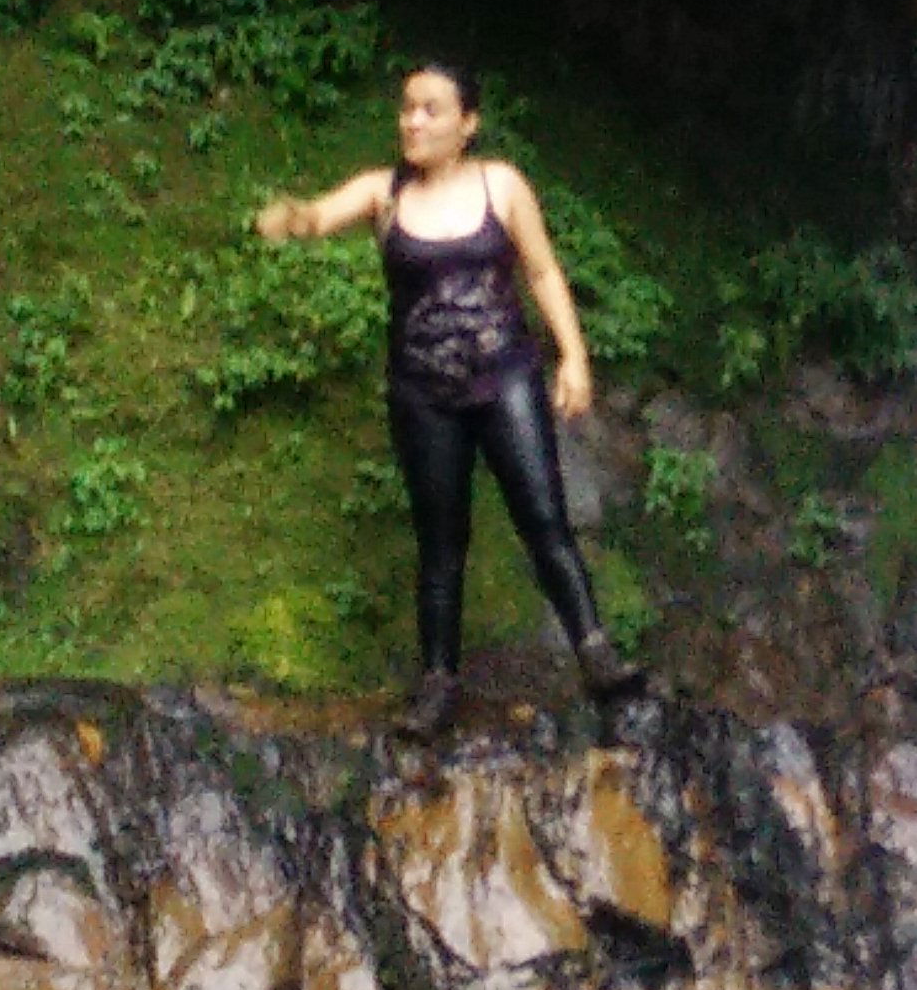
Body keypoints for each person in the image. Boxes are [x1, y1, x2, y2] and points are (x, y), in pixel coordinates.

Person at [251, 62, 643, 724]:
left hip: (505, 376)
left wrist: (573, 355)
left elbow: (542, 271)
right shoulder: (385, 192)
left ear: (468, 123)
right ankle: (438, 682)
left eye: (431, 110)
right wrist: (291, 218)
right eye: (407, 108)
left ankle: (596, 653)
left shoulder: (502, 185)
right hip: (422, 389)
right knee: (440, 539)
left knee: (543, 520)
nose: (413, 121)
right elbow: (321, 215)